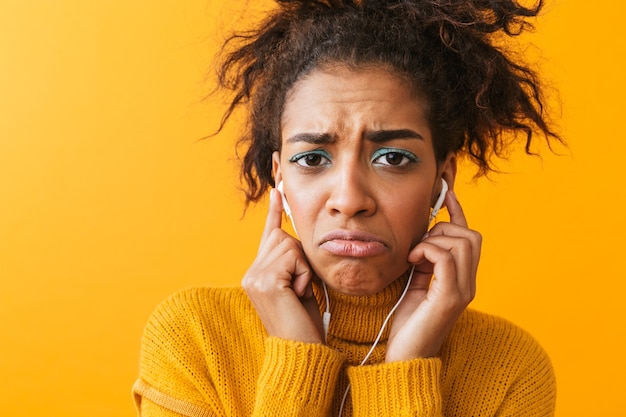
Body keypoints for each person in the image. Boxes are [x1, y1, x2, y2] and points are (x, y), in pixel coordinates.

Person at [133, 1, 561, 416]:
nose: (349, 200)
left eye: (393, 158)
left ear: (441, 181)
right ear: (279, 178)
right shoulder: (194, 338)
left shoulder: (510, 371)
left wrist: (406, 367)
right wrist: (297, 363)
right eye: (313, 159)